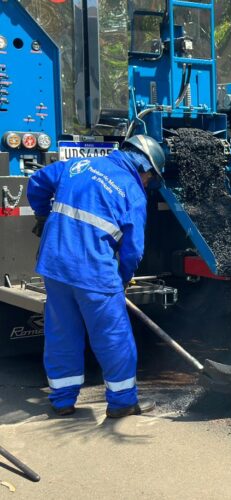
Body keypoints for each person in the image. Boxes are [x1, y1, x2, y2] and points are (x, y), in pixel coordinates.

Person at [27, 135, 165, 418]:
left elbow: (37, 181)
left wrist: (42, 215)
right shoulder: (133, 192)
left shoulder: (77, 165)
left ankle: (62, 400)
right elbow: (133, 250)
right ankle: (122, 402)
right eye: (150, 179)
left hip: (55, 266)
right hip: (94, 273)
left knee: (62, 333)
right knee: (113, 337)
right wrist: (123, 279)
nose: (147, 184)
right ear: (145, 168)